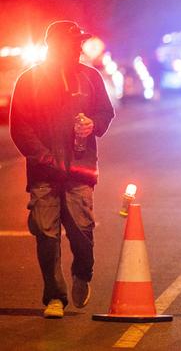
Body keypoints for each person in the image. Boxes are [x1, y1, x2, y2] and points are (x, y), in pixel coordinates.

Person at [9, 20, 115, 318]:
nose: (77, 47)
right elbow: (21, 126)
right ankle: (54, 297)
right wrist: (42, 156)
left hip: (80, 170)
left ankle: (83, 273)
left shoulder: (90, 77)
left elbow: (105, 112)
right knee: (46, 233)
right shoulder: (30, 79)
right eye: (72, 42)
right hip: (43, 173)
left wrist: (93, 124)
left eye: (79, 42)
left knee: (82, 230)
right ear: (55, 45)